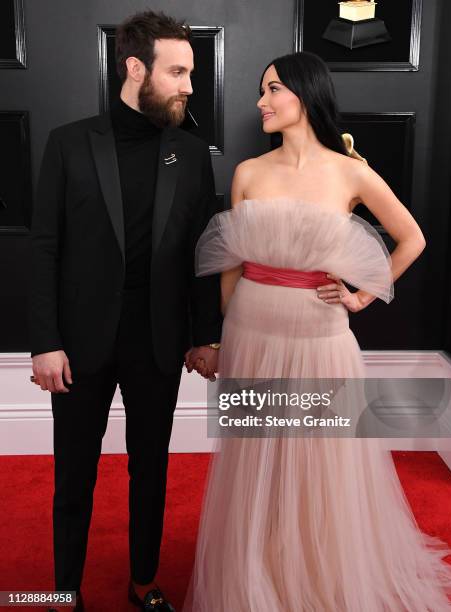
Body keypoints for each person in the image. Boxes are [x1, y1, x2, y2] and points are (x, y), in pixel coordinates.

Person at [183, 51, 451, 610]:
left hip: (321, 340)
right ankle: (258, 576)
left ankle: (317, 578)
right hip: (251, 335)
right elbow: (231, 267)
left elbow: (412, 238)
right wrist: (219, 341)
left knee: (320, 468)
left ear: (305, 95)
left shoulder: (350, 170)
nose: (261, 101)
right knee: (256, 466)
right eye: (261, 90)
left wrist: (360, 295)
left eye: (272, 89)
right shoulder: (248, 173)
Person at [29, 10, 222, 612]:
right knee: (73, 476)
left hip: (159, 340)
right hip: (79, 342)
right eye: (178, 72)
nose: (190, 85)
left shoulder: (190, 153)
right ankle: (63, 592)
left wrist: (205, 336)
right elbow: (44, 250)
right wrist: (43, 341)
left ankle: (143, 583)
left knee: (152, 470)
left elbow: (202, 252)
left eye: (191, 71)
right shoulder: (68, 143)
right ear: (134, 68)